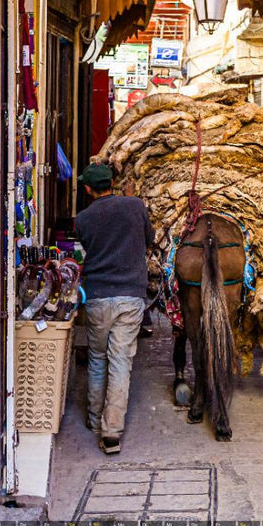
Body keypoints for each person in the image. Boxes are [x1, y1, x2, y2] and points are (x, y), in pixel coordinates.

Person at [74, 162, 155, 454]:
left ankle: (95, 420)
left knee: (98, 358)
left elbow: (84, 247)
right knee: (121, 360)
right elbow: (149, 239)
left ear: (87, 189)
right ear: (113, 183)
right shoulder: (135, 207)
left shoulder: (83, 218)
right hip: (131, 297)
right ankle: (112, 432)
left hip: (96, 296)